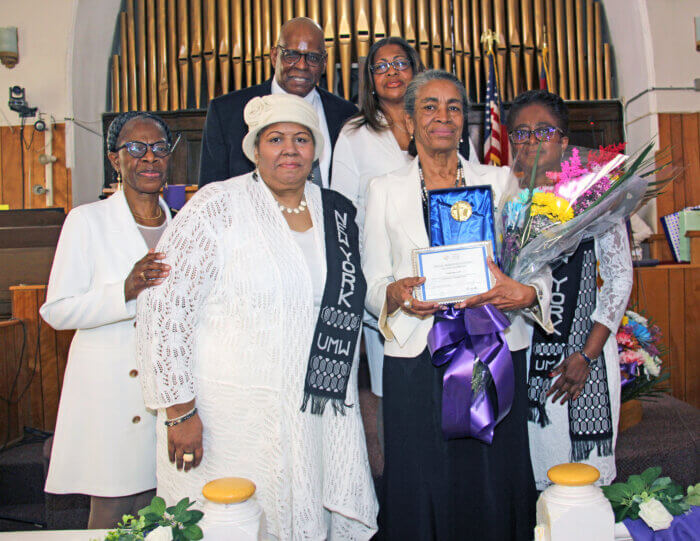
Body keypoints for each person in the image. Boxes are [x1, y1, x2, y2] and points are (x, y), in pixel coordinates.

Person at [137, 94, 378, 539]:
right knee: (236, 521)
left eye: (302, 139)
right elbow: (165, 307)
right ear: (254, 148)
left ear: (315, 150)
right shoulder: (216, 205)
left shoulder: (336, 212)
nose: (290, 149)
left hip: (314, 410)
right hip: (230, 413)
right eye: (276, 139)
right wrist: (178, 411)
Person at [362, 69, 552, 540]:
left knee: (492, 476)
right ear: (408, 121)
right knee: (423, 477)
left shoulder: (502, 180)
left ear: (466, 121)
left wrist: (525, 293)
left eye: (453, 107)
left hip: (494, 348)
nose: (442, 116)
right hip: (417, 359)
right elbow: (373, 282)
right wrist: (395, 294)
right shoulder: (384, 189)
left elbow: (537, 271)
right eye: (428, 106)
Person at [40, 111, 175, 528]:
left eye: (157, 148)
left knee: (163, 512)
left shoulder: (182, 224)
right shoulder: (87, 221)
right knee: (113, 514)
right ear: (114, 160)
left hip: (165, 392)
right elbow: (57, 310)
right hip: (112, 392)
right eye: (135, 148)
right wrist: (124, 290)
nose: (148, 158)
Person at [331, 37, 479, 412]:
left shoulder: (445, 125)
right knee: (399, 396)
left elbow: (476, 190)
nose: (391, 71)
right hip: (389, 277)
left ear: (416, 69)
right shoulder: (354, 135)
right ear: (369, 79)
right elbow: (343, 212)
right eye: (380, 66)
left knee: (466, 387)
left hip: (459, 281)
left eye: (400, 62)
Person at [506, 89, 633, 490]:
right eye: (521, 133)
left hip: (584, 358)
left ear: (563, 140)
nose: (531, 141)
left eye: (543, 131)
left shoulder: (595, 200)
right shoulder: (508, 204)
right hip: (527, 363)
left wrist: (586, 355)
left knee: (584, 483)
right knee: (535, 479)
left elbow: (618, 280)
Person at [198, 17, 357, 188]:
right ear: (274, 56)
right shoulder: (226, 112)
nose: (302, 66)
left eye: (313, 57)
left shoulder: (347, 114)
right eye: (292, 55)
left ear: (324, 63)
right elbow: (210, 193)